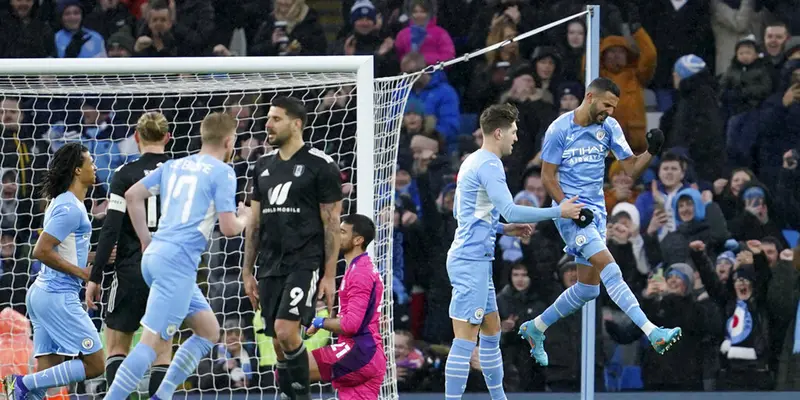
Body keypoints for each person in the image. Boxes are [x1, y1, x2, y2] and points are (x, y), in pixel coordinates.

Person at [519, 77, 680, 367]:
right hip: (571, 214)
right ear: (590, 97)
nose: (611, 111)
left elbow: (631, 169)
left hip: (596, 212)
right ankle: (652, 331)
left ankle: (536, 327)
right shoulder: (559, 129)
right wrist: (568, 207)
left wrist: (651, 151)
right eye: (607, 104)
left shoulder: (609, 127)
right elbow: (547, 176)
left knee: (588, 289)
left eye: (614, 107)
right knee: (610, 267)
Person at [104, 112, 251, 400]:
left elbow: (133, 196)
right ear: (229, 140)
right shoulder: (223, 172)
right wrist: (246, 216)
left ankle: (162, 395)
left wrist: (147, 240)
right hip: (178, 263)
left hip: (157, 255)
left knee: (209, 331)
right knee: (149, 344)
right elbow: (229, 228)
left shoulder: (175, 165)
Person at [443, 103, 584, 400]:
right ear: (498, 132)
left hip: (475, 261)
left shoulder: (471, 161)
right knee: (465, 341)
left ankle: (499, 398)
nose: (516, 138)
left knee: (492, 332)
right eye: (514, 132)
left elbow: (465, 214)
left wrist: (505, 229)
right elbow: (508, 208)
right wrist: (560, 211)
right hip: (470, 262)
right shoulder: (490, 164)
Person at [242, 96, 342, 400]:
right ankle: (289, 395)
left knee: (287, 331)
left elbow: (332, 224)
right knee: (276, 340)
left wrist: (328, 275)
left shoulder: (321, 165)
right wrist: (247, 271)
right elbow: (254, 224)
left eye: (275, 119)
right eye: (268, 118)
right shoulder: (261, 165)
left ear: (296, 124)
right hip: (270, 264)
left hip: (305, 262)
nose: (267, 125)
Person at [4, 143, 105, 400]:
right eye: (90, 162)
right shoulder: (69, 208)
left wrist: (97, 257)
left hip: (44, 294)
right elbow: (41, 251)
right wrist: (83, 273)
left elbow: (61, 250)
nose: (95, 167)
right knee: (95, 364)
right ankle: (20, 384)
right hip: (58, 296)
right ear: (77, 170)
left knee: (46, 385)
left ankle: (26, 388)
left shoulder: (62, 203)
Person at [85, 112, 172, 396]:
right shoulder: (180, 172)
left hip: (131, 269)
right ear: (167, 137)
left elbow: (110, 229)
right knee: (162, 349)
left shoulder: (125, 175)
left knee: (117, 346)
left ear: (136, 138)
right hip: (169, 271)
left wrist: (95, 277)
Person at [304, 213, 386, 399]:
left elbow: (351, 325)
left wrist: (318, 321)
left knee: (289, 370)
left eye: (342, 232)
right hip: (369, 355)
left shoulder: (360, 273)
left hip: (360, 351)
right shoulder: (359, 268)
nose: (336, 236)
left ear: (358, 240)